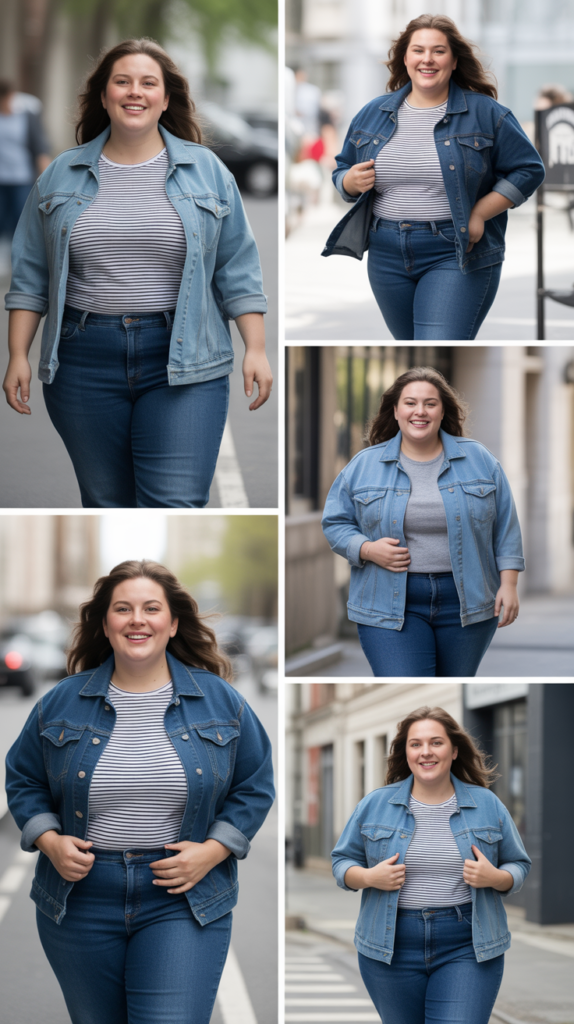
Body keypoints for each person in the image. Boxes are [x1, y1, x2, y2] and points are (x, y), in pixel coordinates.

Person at [2, 39, 272, 508]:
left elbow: (238, 268)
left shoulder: (207, 171)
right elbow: (30, 276)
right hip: (83, 358)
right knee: (107, 503)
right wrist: (17, 355)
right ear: (104, 95)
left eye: (148, 83)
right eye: (122, 81)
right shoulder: (60, 175)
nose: (135, 91)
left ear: (165, 99)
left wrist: (257, 348)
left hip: (184, 355)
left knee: (174, 501)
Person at [5, 559, 275, 1024]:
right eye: (123, 609)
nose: (137, 620)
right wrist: (49, 841)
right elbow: (23, 778)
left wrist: (212, 851)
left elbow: (254, 785)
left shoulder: (221, 700)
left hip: (182, 895)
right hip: (81, 898)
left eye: (151, 608)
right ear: (105, 624)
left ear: (173, 623)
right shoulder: (60, 701)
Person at [321, 14, 545, 340]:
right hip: (385, 253)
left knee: (438, 344)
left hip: (456, 250)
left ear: (454, 61)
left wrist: (480, 213)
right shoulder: (373, 113)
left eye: (438, 51)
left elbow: (529, 168)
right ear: (405, 58)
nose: (427, 59)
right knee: (411, 348)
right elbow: (343, 167)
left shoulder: (486, 113)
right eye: (418, 50)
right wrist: (347, 182)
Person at [332, 706, 531, 1024]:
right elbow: (342, 862)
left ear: (454, 750)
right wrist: (369, 877)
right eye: (416, 744)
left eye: (436, 742)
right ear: (406, 752)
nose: (426, 751)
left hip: (467, 944)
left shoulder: (487, 804)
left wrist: (496, 877)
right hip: (390, 946)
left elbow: (519, 864)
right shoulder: (375, 804)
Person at [321, 366, 524, 677]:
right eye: (410, 403)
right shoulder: (364, 465)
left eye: (430, 403)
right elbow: (335, 522)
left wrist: (509, 585)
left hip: (466, 603)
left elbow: (506, 527)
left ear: (442, 411)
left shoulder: (480, 460)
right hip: (387, 604)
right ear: (396, 410)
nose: (420, 411)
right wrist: (367, 549)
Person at [0, 80, 50, 246]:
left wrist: (48, 179)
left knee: (20, 220)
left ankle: (17, 254)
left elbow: (40, 147)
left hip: (22, 179)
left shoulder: (27, 115)